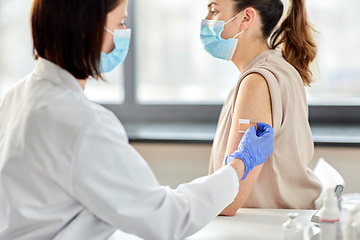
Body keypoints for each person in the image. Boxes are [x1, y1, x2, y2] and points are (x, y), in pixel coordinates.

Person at [0, 0, 275, 239]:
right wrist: (239, 164)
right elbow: (168, 219)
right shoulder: (83, 124)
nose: (123, 35)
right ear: (88, 30)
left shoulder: (19, 95)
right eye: (119, 23)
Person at [202, 0, 322, 215]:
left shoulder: (257, 81)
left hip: (270, 227)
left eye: (213, 10)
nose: (206, 20)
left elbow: (228, 199)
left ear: (246, 18)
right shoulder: (272, 67)